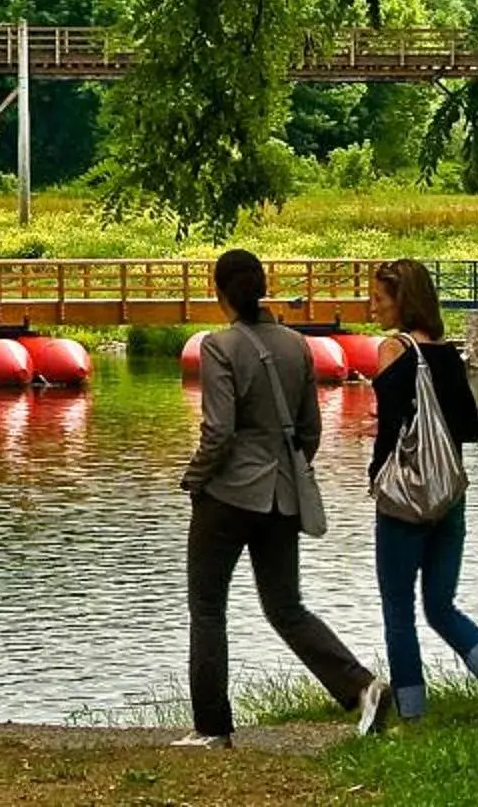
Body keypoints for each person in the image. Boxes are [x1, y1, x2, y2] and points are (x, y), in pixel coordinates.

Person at [176, 248, 391, 748]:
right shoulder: (298, 345)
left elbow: (219, 431)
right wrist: (286, 472)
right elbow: (310, 433)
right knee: (286, 607)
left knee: (208, 608)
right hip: (281, 499)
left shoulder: (218, 346)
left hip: (227, 497)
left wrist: (195, 478)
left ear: (220, 291)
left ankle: (211, 729)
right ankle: (360, 686)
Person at [369, 257, 478, 732]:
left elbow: (389, 432)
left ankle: (413, 717)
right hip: (450, 498)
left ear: (404, 301)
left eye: (380, 298)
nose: (373, 306)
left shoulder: (393, 352)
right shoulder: (449, 354)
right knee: (440, 606)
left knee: (398, 609)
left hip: (405, 500)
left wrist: (377, 477)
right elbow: (471, 428)